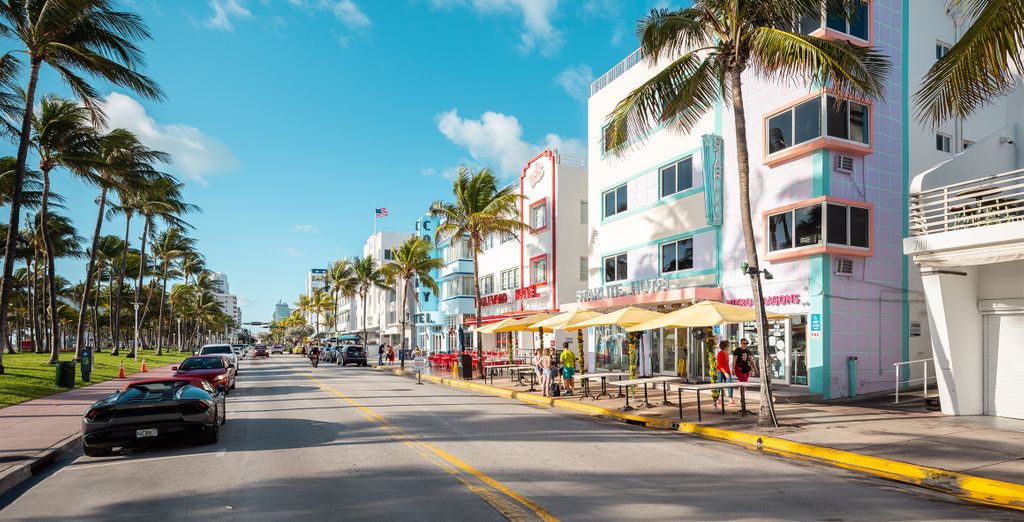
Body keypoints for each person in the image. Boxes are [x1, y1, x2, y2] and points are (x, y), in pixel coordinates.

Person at [715, 340, 734, 407]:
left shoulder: (726, 353)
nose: (729, 346)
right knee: (719, 385)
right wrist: (725, 373)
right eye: (728, 345)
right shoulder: (720, 354)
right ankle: (717, 399)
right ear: (725, 346)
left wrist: (729, 371)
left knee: (730, 384)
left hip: (726, 371)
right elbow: (720, 365)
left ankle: (730, 399)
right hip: (720, 371)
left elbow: (726, 364)